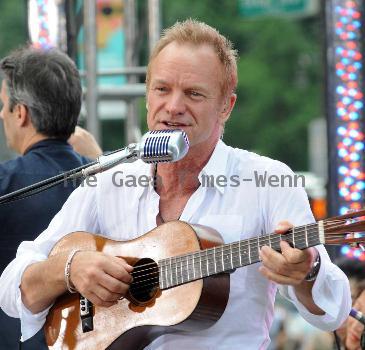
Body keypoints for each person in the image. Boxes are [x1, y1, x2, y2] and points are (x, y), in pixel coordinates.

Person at [0, 20, 351, 349]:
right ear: (147, 95)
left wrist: (307, 271)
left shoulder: (268, 182)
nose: (173, 107)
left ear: (226, 106)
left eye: (194, 94)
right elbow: (13, 285)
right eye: (162, 89)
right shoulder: (109, 182)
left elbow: (332, 311)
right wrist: (69, 270)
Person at [0, 46, 101, 349]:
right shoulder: (111, 182)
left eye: (4, 105)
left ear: (21, 114)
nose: (0, 114)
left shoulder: (5, 183)